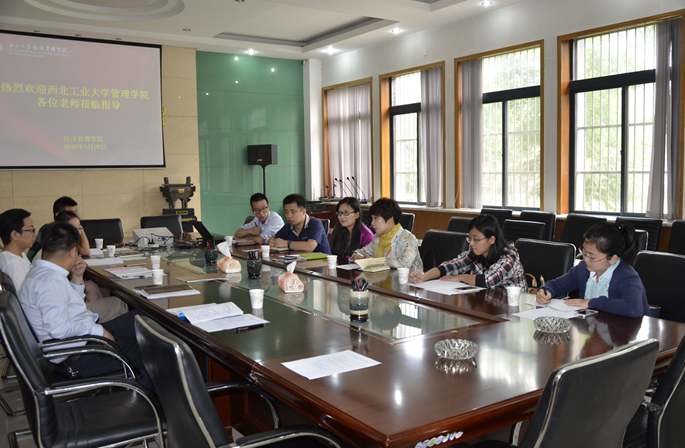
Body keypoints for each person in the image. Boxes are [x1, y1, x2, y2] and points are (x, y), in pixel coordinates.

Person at [18, 222, 152, 390]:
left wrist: (77, 279)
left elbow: (70, 308)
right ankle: (149, 396)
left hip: (81, 340)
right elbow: (58, 329)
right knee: (154, 354)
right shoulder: (50, 281)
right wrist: (99, 331)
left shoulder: (40, 273)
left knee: (141, 318)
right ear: (73, 252)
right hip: (81, 357)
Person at [536, 221, 650, 318]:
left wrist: (591, 302)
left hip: (625, 333)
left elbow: (633, 308)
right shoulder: (583, 269)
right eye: (584, 251)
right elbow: (557, 285)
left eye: (592, 257)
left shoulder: (627, 276)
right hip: (594, 329)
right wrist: (546, 291)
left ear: (612, 259)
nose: (586, 259)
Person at [33, 211, 129, 323]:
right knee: (120, 304)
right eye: (75, 229)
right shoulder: (54, 261)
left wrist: (77, 277)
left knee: (92, 286)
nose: (79, 232)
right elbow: (67, 313)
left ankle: (100, 324)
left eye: (80, 228)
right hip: (70, 316)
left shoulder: (54, 250)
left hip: (70, 309)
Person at [410, 214, 526, 289]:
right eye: (470, 238)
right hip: (488, 303)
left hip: (514, 308)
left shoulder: (509, 257)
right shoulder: (475, 253)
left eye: (476, 239)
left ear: (492, 239)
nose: (471, 243)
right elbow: (449, 266)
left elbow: (487, 280)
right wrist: (424, 277)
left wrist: (460, 277)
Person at [352, 198, 422, 271]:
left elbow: (404, 263)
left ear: (390, 219)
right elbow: (360, 252)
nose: (372, 223)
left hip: (409, 278)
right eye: (372, 218)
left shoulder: (408, 239)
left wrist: (376, 261)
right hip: (384, 277)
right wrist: (356, 256)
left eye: (375, 218)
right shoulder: (378, 238)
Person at [28, 196, 90, 261]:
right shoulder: (51, 230)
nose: (74, 216)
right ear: (58, 215)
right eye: (70, 213)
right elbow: (85, 251)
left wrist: (78, 226)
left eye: (75, 213)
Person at [329, 197, 374, 262]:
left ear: (357, 215)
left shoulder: (367, 235)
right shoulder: (339, 229)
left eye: (346, 213)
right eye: (339, 213)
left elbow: (369, 260)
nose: (342, 216)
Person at [0, 209, 36, 289]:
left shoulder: (19, 253)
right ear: (15, 235)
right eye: (31, 230)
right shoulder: (12, 263)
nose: (35, 234)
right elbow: (23, 295)